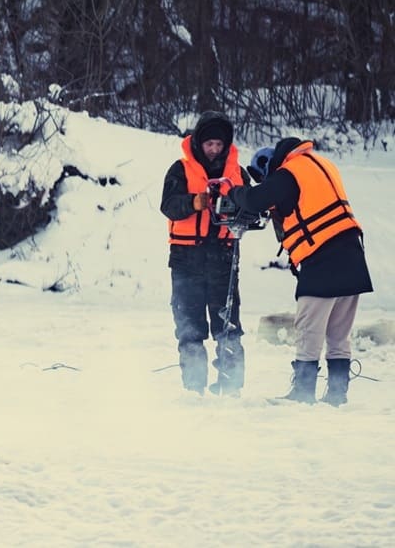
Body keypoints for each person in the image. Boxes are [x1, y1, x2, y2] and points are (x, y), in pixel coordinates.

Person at [228, 137, 373, 405]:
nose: (266, 182)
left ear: (270, 165)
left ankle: (303, 392)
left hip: (324, 260)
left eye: (264, 177)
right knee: (339, 334)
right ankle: (337, 395)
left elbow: (254, 199)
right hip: (352, 254)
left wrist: (232, 192)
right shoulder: (319, 164)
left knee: (309, 329)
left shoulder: (288, 173)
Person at [160, 111, 253, 396]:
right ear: (199, 143)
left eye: (219, 144)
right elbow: (168, 205)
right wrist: (194, 202)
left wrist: (240, 212)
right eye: (209, 143)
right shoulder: (180, 169)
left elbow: (253, 208)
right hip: (186, 259)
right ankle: (194, 388)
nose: (214, 149)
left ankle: (231, 388)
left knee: (228, 326)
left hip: (223, 259)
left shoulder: (238, 174)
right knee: (189, 328)